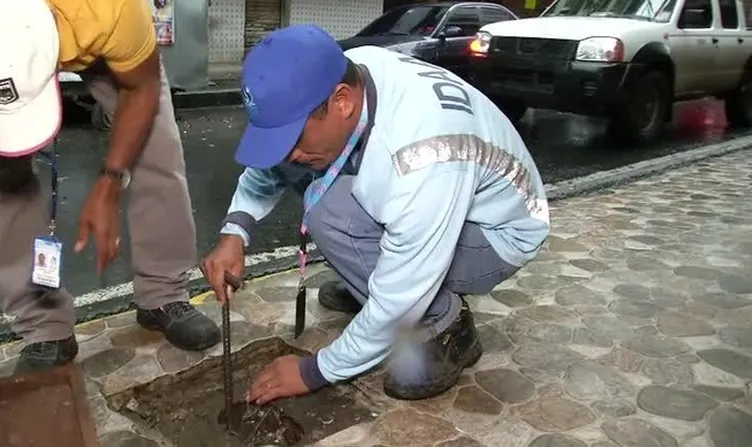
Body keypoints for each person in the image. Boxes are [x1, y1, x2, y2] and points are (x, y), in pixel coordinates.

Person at [0, 0, 219, 407]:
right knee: (0, 177)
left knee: (157, 144)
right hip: (3, 46)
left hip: (87, 23)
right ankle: (43, 327)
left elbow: (141, 88)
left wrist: (109, 184)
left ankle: (163, 293)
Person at [201, 25, 550, 403]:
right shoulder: (349, 71)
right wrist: (234, 232)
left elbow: (402, 292)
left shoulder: (422, 155)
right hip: (440, 198)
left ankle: (446, 322)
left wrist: (315, 371)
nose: (288, 155)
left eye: (293, 139)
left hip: (497, 234)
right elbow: (273, 163)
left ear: (342, 102)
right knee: (324, 189)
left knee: (331, 214)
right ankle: (368, 279)